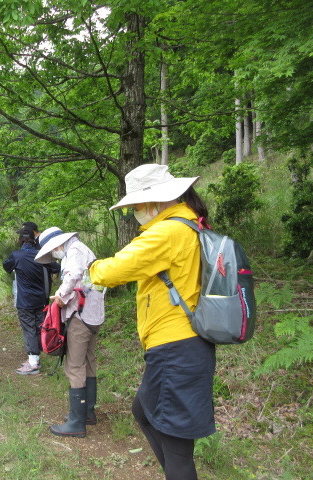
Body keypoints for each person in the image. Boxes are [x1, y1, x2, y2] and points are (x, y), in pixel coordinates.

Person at [88, 163, 215, 480]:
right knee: (143, 411)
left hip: (176, 346)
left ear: (153, 202)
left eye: (135, 206)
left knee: (176, 446)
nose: (133, 213)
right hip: (179, 344)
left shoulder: (167, 231)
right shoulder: (187, 226)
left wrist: (90, 267)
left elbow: (113, 271)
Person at [35, 227, 105, 438]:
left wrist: (59, 295)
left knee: (75, 365)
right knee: (89, 361)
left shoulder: (74, 251)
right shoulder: (83, 249)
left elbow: (73, 276)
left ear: (57, 245)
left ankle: (76, 422)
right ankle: (87, 413)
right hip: (93, 314)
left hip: (80, 316)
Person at [3, 227, 59, 375]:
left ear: (20, 240)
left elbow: (6, 266)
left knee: (29, 329)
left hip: (25, 300)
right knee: (40, 326)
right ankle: (37, 357)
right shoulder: (41, 255)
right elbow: (56, 268)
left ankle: (33, 363)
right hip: (41, 299)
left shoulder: (16, 256)